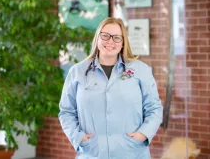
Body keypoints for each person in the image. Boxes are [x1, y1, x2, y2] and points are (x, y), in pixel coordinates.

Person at [58, 17, 163, 159]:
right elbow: (66, 111)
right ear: (97, 38)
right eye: (105, 36)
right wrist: (78, 137)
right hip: (91, 153)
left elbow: (154, 108)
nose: (110, 41)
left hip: (132, 153)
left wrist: (142, 134)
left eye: (116, 38)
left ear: (123, 42)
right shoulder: (77, 72)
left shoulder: (141, 70)